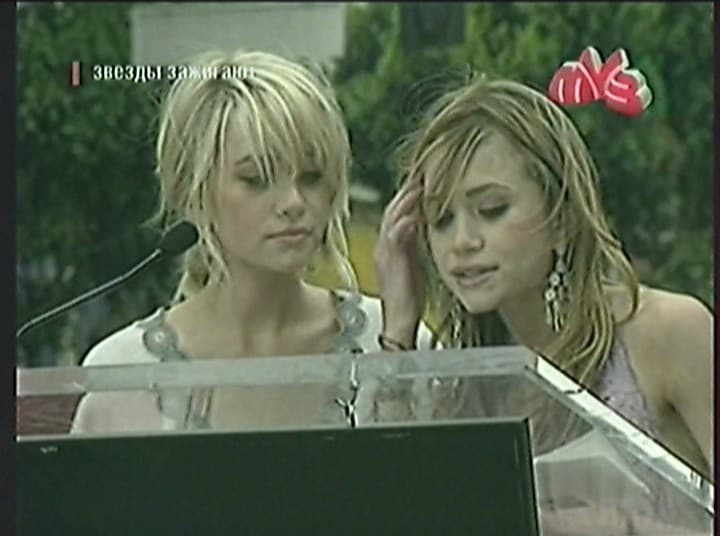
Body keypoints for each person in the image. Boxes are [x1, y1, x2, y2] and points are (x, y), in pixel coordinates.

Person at [71, 49, 431, 435]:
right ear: (193, 191)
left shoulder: (394, 340)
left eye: (311, 176)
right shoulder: (124, 373)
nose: (293, 203)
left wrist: (398, 354)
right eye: (257, 178)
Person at [375, 75, 713, 479]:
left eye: (492, 209)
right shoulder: (466, 386)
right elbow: (397, 497)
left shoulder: (669, 331)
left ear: (562, 218)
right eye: (441, 219)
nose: (462, 241)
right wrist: (398, 329)